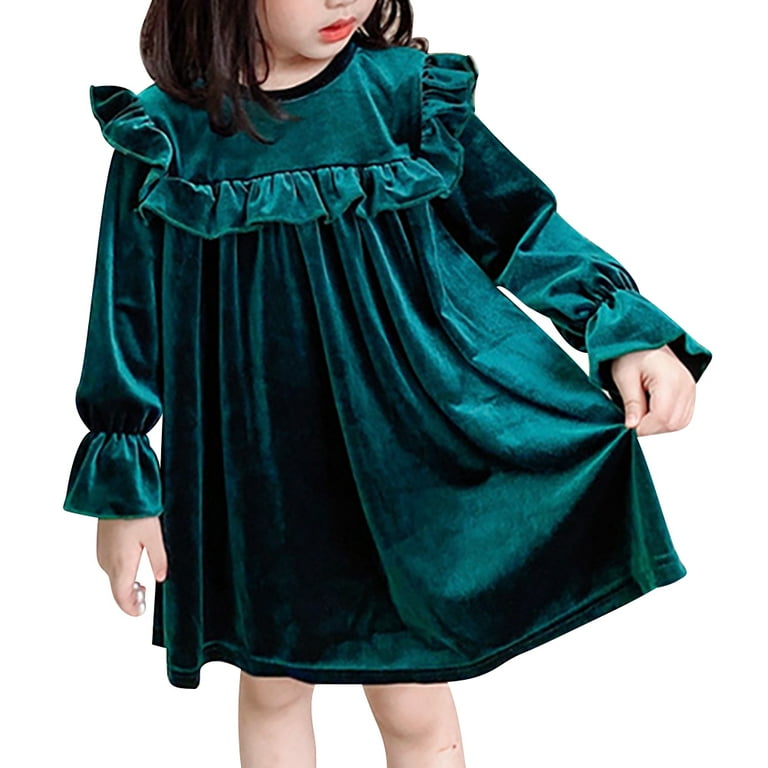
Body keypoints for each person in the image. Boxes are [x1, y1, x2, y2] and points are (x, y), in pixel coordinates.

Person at [62, 0, 713, 766]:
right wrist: (125, 492)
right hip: (258, 471)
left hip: (404, 456)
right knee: (272, 686)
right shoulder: (167, 136)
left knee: (411, 693)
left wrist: (619, 327)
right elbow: (125, 315)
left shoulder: (403, 98)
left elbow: (517, 228)